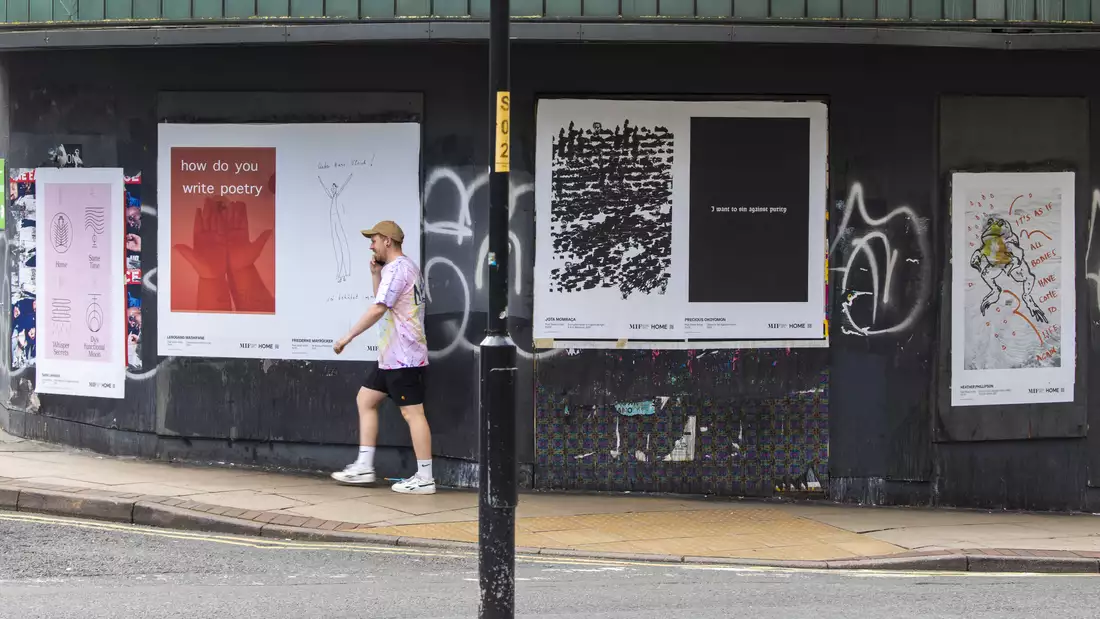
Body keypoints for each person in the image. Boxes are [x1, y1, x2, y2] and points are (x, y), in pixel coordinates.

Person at [331, 220, 435, 495]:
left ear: (388, 241)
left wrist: (347, 337)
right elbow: (385, 301)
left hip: (404, 356)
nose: (371, 245)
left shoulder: (399, 269)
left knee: (413, 413)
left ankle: (425, 478)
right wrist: (376, 275)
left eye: (374, 239)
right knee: (366, 399)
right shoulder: (401, 268)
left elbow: (378, 309)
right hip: (392, 356)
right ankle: (364, 466)